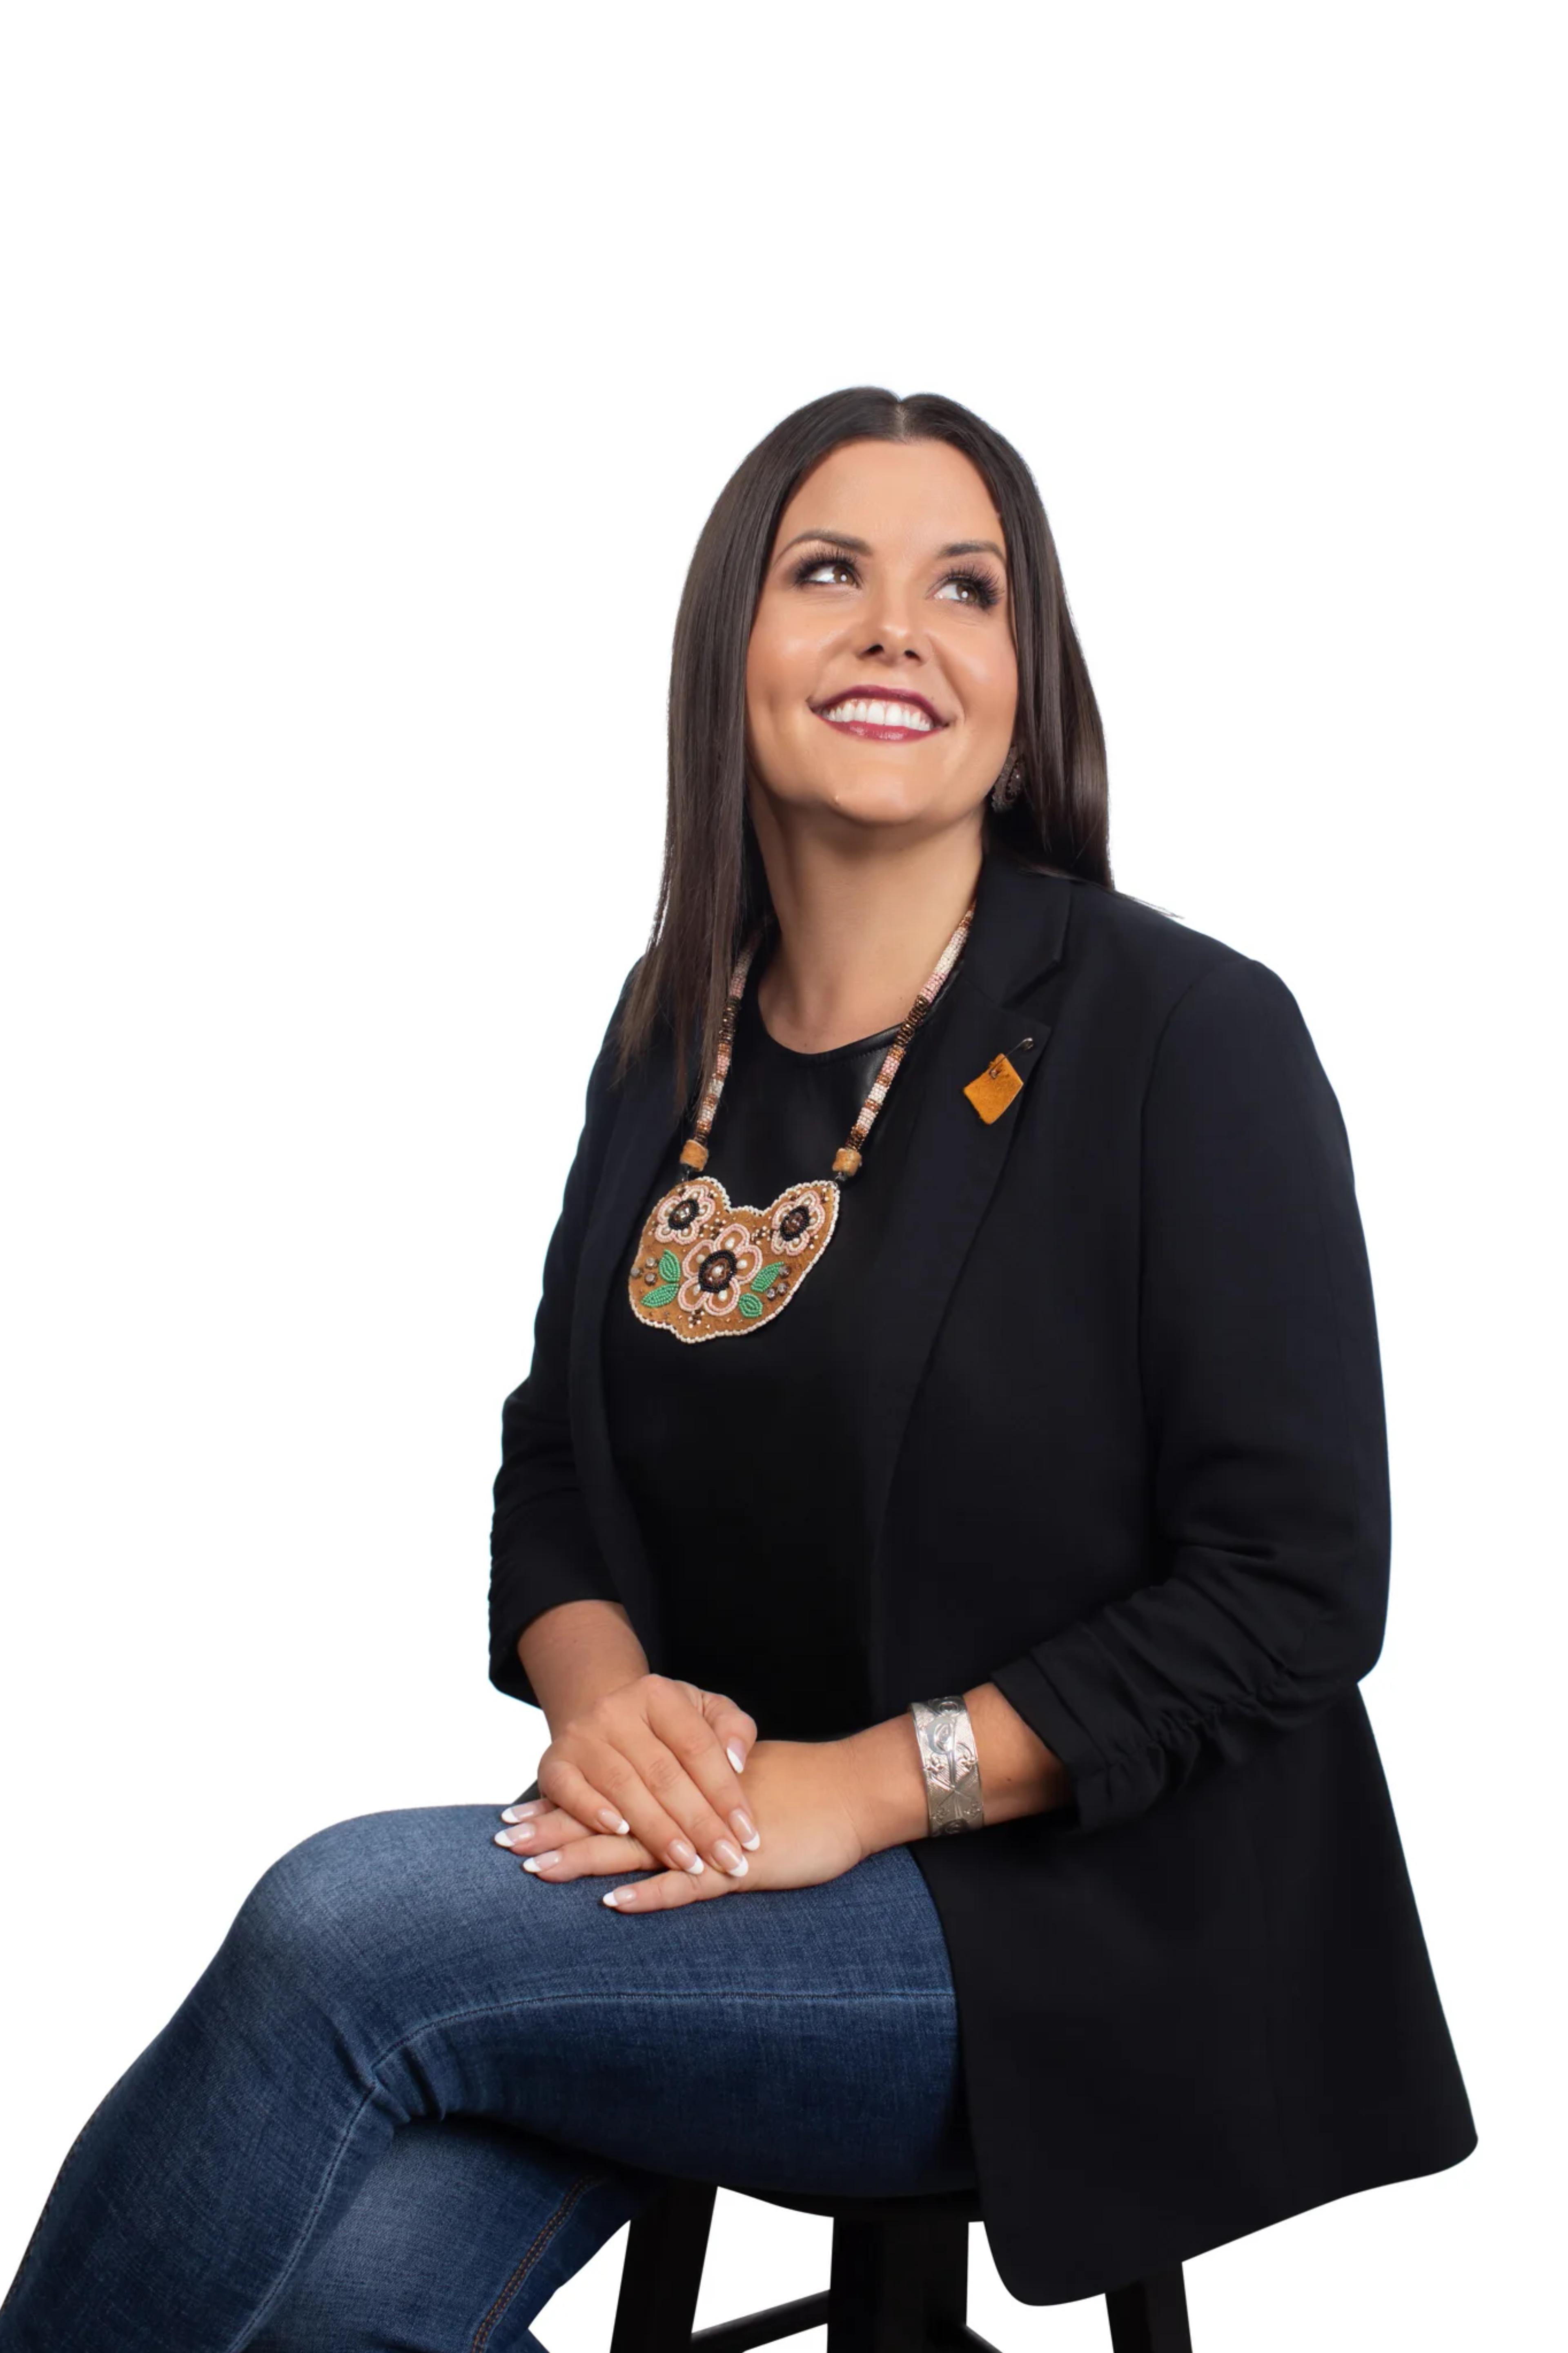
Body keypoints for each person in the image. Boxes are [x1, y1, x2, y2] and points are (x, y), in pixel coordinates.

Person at [0, 388, 1474, 2351]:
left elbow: (1298, 1587)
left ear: (1028, 680)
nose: (898, 628)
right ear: (732, 646)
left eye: (968, 587)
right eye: (829, 571)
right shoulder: (673, 1028)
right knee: (336, 2297)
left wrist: (860, 1789)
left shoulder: (1184, 1033)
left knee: (339, 1933)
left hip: (1070, 1927)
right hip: (725, 1868)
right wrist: (605, 1704)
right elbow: (556, 1461)